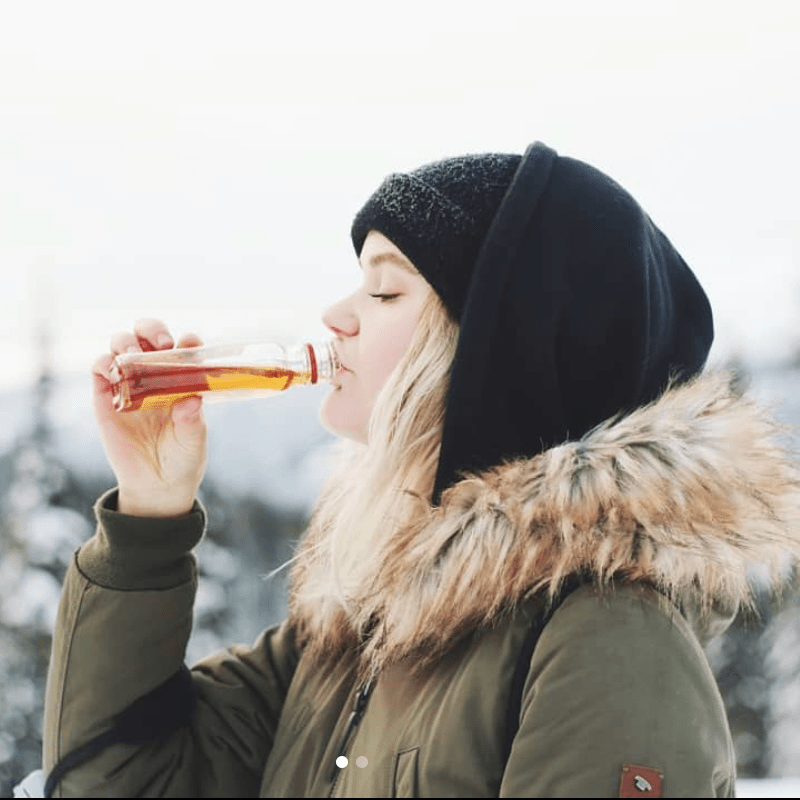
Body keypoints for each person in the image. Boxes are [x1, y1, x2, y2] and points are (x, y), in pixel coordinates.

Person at [42, 141, 800, 797]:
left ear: (499, 355)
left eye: (385, 288)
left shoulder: (608, 644)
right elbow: (113, 780)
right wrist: (149, 513)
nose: (337, 314)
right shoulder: (351, 638)